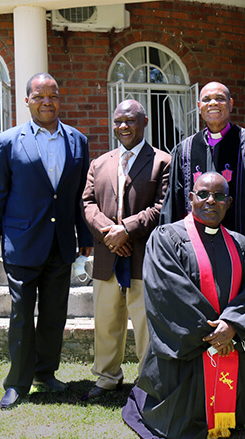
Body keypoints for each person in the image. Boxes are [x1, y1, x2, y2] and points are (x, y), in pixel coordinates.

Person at [122, 172, 245, 439]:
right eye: (203, 194)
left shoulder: (242, 246)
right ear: (191, 198)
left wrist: (232, 325)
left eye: (219, 196)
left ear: (229, 202)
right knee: (182, 418)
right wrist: (214, 335)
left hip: (230, 343)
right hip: (188, 353)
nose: (210, 201)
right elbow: (169, 294)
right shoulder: (166, 239)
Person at [160, 81, 245, 388]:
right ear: (199, 107)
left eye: (220, 98)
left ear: (231, 104)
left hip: (241, 252)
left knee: (242, 311)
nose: (213, 103)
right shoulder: (185, 150)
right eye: (206, 99)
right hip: (196, 254)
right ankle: (198, 383)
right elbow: (175, 202)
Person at [0, 72, 93, 410]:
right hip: (21, 242)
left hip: (61, 243)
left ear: (60, 99)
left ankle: (46, 373)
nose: (48, 102)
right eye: (40, 96)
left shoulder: (78, 141)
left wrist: (84, 235)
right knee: (21, 315)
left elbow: (79, 195)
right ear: (27, 100)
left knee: (53, 315)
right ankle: (17, 382)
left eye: (53, 95)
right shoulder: (7, 141)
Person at [81, 100, 171, 400]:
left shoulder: (162, 161)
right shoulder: (100, 162)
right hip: (107, 255)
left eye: (130, 120)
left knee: (145, 323)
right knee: (106, 321)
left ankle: (148, 381)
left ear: (144, 121)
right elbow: (87, 203)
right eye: (118, 121)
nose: (123, 126)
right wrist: (110, 232)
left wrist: (127, 230)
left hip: (143, 257)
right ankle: (107, 377)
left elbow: (163, 206)